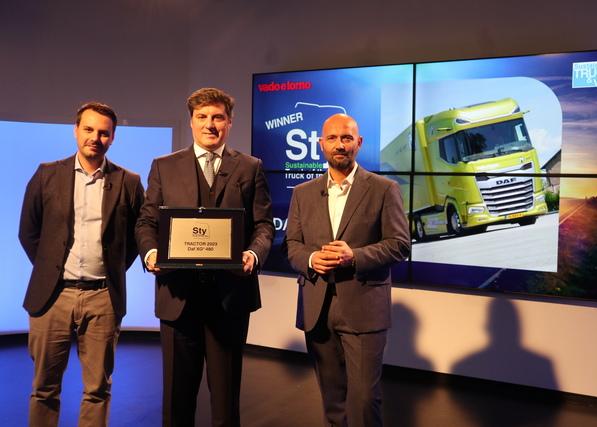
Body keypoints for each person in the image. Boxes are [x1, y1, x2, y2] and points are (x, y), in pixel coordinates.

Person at [135, 87, 274, 426]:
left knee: (226, 402)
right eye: (202, 117)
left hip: (230, 298)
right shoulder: (164, 166)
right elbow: (146, 221)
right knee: (176, 402)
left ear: (229, 122)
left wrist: (253, 255)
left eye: (218, 117)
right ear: (191, 121)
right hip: (177, 297)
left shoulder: (250, 167)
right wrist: (151, 253)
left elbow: (264, 226)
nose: (210, 124)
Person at [18, 102, 145, 427]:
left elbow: (139, 236)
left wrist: (113, 269)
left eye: (103, 133)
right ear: (76, 131)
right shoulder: (47, 174)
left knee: (97, 390)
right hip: (52, 297)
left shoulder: (129, 181)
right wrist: (50, 270)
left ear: (112, 137)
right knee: (44, 388)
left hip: (103, 297)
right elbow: (28, 232)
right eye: (88, 129)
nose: (95, 138)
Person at [285, 113, 410, 427]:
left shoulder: (384, 189)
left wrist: (354, 256)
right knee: (333, 401)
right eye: (332, 138)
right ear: (321, 144)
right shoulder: (302, 192)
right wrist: (311, 259)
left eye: (346, 138)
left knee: (365, 400)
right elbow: (293, 245)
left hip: (364, 309)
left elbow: (399, 244)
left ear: (359, 142)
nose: (339, 145)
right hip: (317, 309)